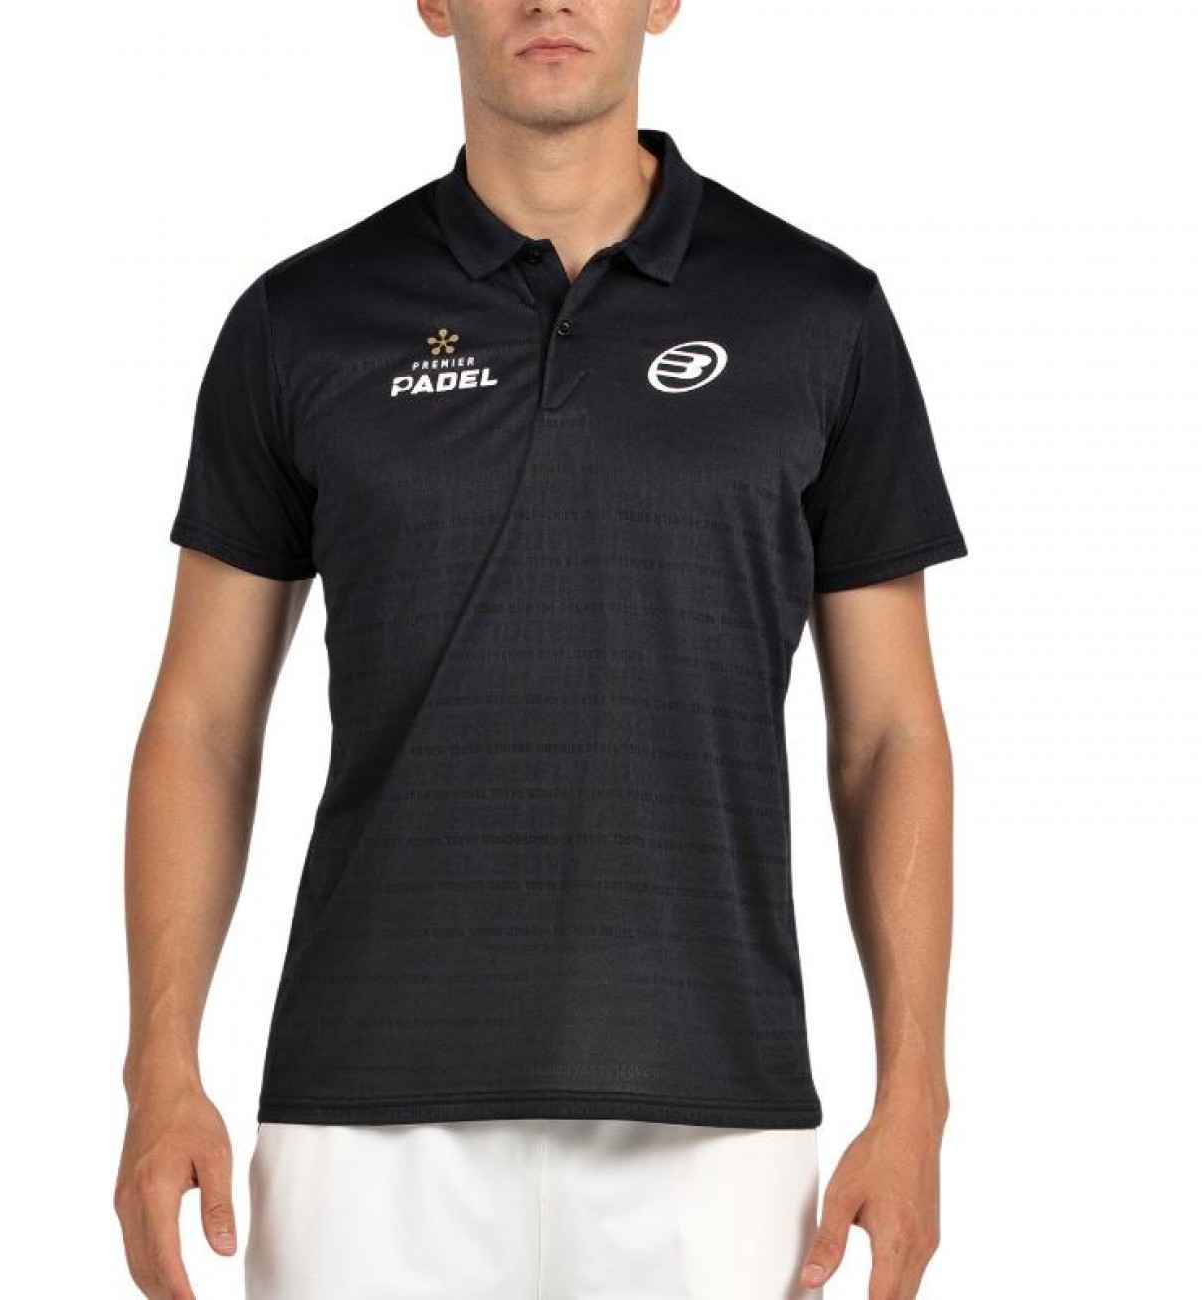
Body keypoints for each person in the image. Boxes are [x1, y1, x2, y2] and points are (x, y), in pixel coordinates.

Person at [114, 2, 967, 1298]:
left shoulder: (818, 314)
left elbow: (891, 735)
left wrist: (915, 1104)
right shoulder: (303, 320)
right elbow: (202, 723)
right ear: (434, 2)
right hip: (363, 1125)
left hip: (715, 1126)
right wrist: (159, 1072)